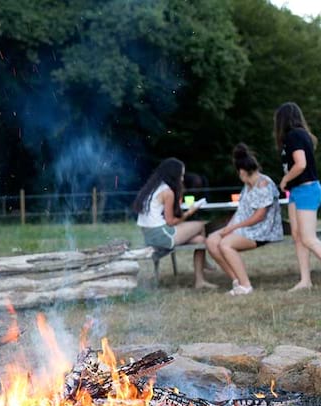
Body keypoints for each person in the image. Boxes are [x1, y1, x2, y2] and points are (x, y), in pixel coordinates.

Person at [206, 144, 283, 295]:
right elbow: (241, 211)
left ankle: (246, 286)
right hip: (244, 227)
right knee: (211, 240)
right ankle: (237, 281)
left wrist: (233, 228)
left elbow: (259, 216)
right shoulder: (248, 185)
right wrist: (229, 227)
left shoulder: (263, 184)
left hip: (260, 231)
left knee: (225, 244)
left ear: (242, 171)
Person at [133, 157, 215, 288]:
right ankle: (204, 262)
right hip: (161, 236)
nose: (182, 179)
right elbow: (171, 222)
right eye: (181, 175)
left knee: (200, 240)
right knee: (200, 225)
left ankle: (200, 281)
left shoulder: (153, 187)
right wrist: (190, 212)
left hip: (149, 234)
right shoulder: (167, 191)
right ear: (174, 175)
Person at [274, 102, 321, 291]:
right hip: (296, 191)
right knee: (298, 236)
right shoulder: (297, 136)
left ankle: (306, 280)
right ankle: (305, 280)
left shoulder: (295, 135)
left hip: (306, 190)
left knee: (309, 238)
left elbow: (300, 164)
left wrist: (285, 179)